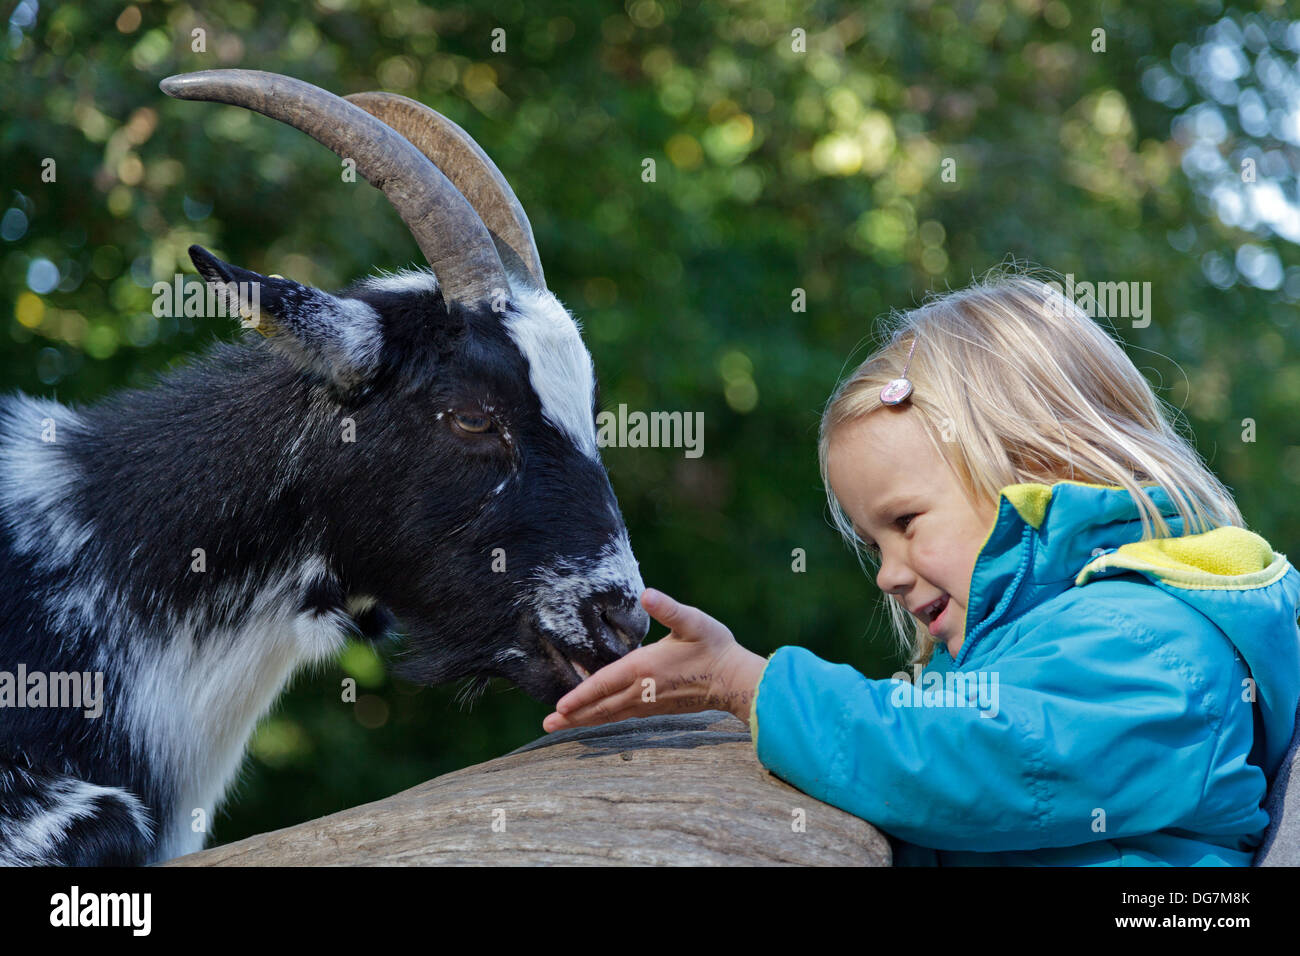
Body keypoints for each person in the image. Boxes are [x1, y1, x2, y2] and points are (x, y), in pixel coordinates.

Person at [542, 265, 1300, 866]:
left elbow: (973, 757)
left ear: (1037, 467)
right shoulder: (1036, 651)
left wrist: (747, 684)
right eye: (874, 545)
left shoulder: (1149, 641)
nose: (888, 574)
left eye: (905, 523)